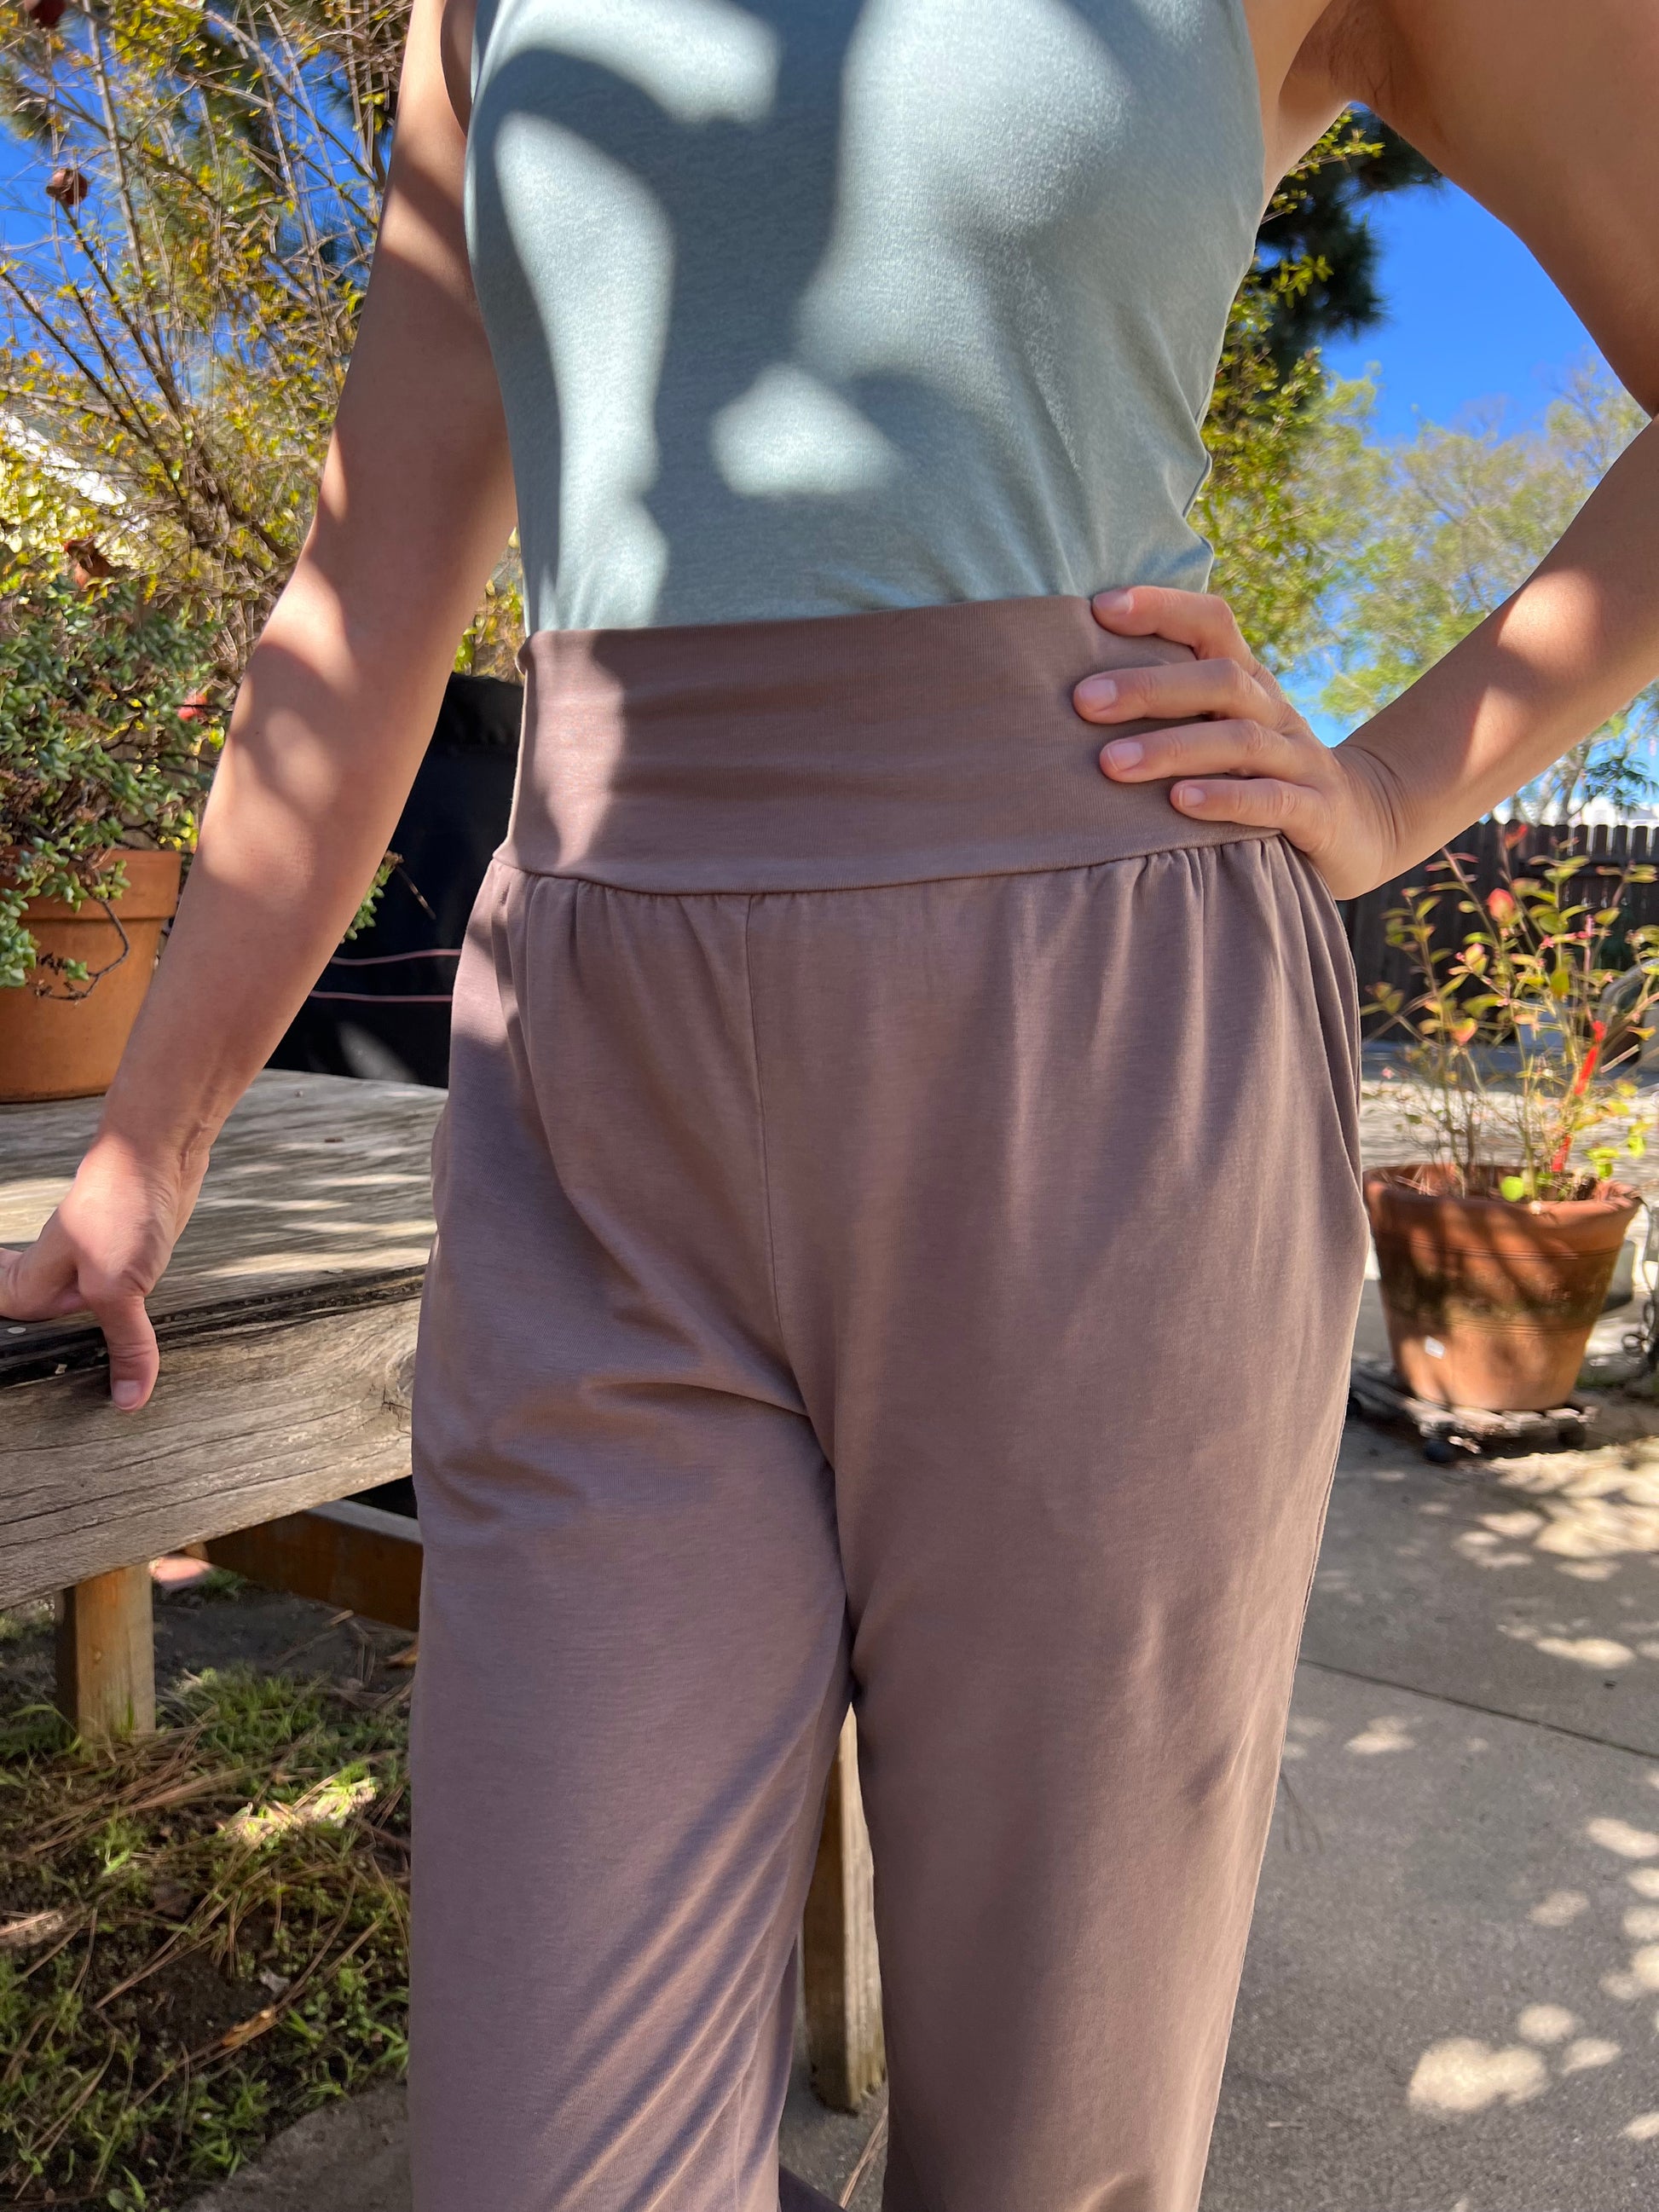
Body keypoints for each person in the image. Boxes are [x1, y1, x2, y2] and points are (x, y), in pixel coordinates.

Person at [3, 2, 1656, 2205]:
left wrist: (1385, 786)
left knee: (1055, 2139)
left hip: (1096, 1073)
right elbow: (362, 592)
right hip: (598, 1104)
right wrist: (149, 1146)